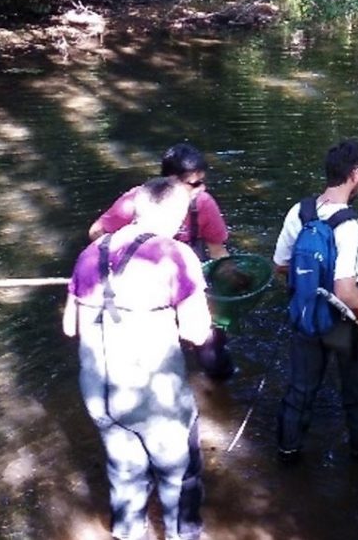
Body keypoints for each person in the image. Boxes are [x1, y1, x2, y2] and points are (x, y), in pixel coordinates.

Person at [63, 177, 212, 540]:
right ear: (177, 215)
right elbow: (196, 332)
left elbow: (70, 326)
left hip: (100, 394)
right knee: (180, 478)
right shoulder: (176, 254)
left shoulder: (91, 253)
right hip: (153, 398)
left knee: (125, 474)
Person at [271, 139, 358, 464]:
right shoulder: (354, 226)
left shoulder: (300, 211)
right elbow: (345, 290)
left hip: (306, 312)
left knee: (301, 391)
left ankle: (287, 451)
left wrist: (309, 283)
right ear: (356, 173)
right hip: (344, 322)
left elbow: (280, 264)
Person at [88, 143, 235, 380]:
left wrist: (234, 279)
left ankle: (218, 390)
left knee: (213, 353)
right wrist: (123, 263)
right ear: (172, 181)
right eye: (194, 184)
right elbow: (97, 233)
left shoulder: (204, 204)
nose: (202, 189)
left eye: (203, 182)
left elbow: (217, 250)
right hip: (146, 288)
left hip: (186, 281)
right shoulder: (136, 202)